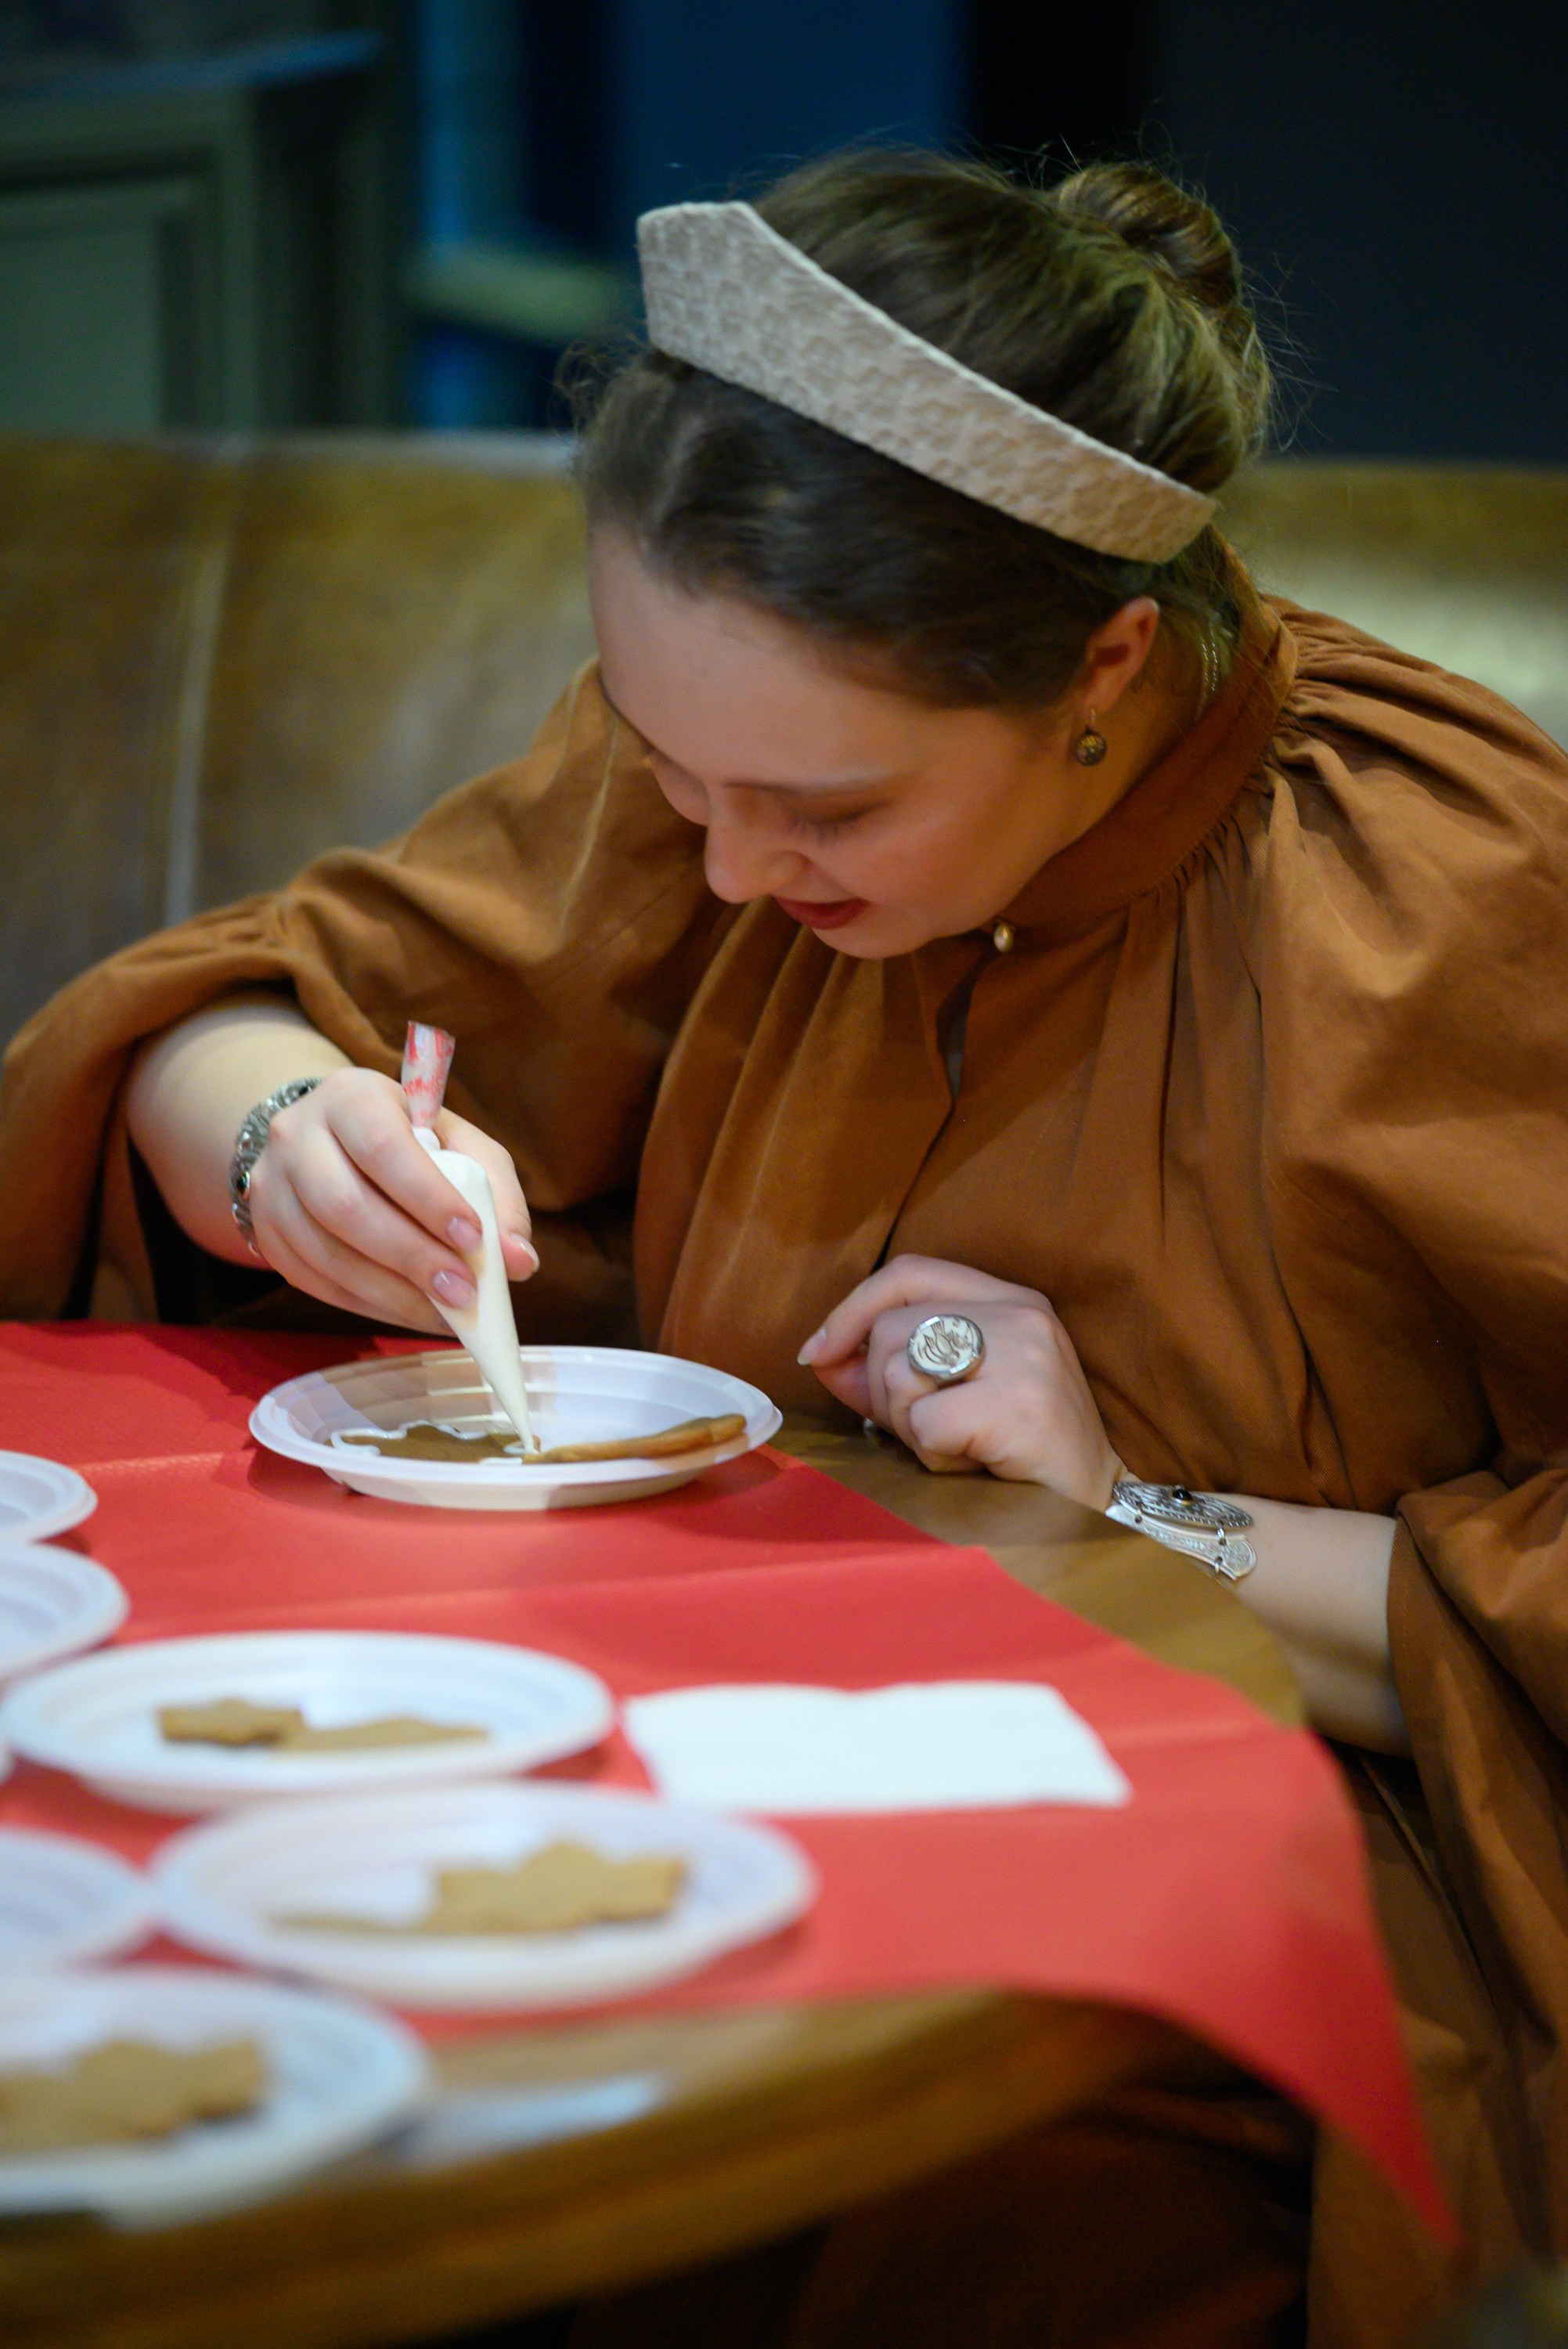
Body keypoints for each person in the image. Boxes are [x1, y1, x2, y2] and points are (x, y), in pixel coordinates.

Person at [2, 150, 1566, 2347]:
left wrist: (1127, 1514)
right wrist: (283, 1134)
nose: (725, 869)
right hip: (659, 1744)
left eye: (830, 811)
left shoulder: (1448, 902)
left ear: (1104, 663)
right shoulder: (714, 763)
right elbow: (241, 1013)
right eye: (667, 764)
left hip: (1236, 1887)